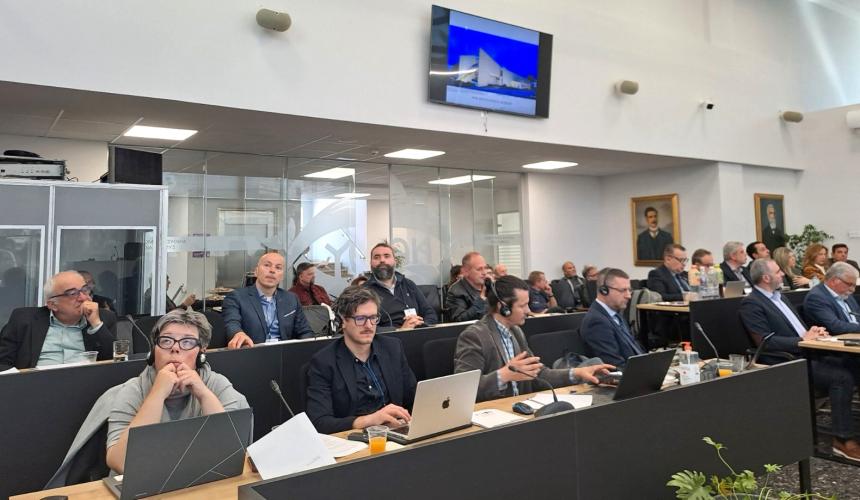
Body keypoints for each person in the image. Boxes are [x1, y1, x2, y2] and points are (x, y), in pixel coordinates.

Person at [739, 258, 860, 461]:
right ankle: (842, 439)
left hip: (806, 351)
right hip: (786, 361)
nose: (783, 274)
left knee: (854, 365)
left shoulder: (780, 297)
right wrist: (802, 340)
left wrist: (813, 332)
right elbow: (765, 342)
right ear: (766, 278)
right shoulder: (751, 303)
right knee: (841, 377)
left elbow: (797, 328)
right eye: (778, 271)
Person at [105, 309, 249, 473]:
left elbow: (231, 454)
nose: (175, 348)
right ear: (153, 350)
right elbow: (120, 462)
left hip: (202, 479)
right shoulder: (134, 390)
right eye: (166, 341)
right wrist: (157, 394)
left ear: (201, 351)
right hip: (146, 479)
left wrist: (204, 394)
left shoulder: (216, 385)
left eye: (187, 342)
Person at [453, 275, 613, 402]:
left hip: (520, 411)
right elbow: (463, 389)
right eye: (522, 305)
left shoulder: (516, 332)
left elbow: (538, 375)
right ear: (504, 308)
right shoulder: (474, 336)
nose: (528, 310)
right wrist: (503, 375)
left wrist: (578, 373)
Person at [305, 286, 417, 434]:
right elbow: (320, 422)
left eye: (373, 318)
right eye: (360, 319)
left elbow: (414, 397)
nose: (369, 325)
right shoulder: (324, 362)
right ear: (343, 321)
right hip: (355, 438)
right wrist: (370, 420)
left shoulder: (392, 348)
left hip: (396, 432)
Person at [0, 270, 117, 370]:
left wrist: (96, 324)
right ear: (52, 304)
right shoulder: (24, 319)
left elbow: (115, 363)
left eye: (85, 290)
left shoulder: (103, 318)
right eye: (73, 293)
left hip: (87, 383)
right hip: (36, 384)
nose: (83, 298)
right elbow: (3, 363)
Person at [222, 251, 313, 348]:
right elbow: (231, 323)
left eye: (278, 267)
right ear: (256, 271)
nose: (272, 270)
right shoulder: (236, 297)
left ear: (282, 276)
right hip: (253, 352)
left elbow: (305, 331)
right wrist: (238, 333)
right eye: (267, 265)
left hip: (284, 353)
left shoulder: (291, 299)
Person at [363, 242, 437, 329]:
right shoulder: (364, 291)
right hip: (387, 336)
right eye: (376, 257)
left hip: (417, 332)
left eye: (387, 256)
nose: (382, 260)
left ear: (395, 261)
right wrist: (400, 330)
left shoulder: (408, 284)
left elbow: (430, 313)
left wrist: (421, 325)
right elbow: (365, 327)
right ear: (371, 263)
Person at [581, 268, 645, 369]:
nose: (628, 296)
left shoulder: (615, 314)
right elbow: (613, 366)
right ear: (604, 290)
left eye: (629, 290)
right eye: (623, 290)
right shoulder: (596, 322)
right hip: (627, 375)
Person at [803, 262, 860, 335]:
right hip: (837, 339)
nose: (853, 290)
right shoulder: (816, 298)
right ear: (834, 281)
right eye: (850, 284)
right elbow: (836, 327)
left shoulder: (845, 293)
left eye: (854, 285)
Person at [445, 252, 489, 322]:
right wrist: (481, 300)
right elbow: (459, 319)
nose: (484, 273)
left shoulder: (490, 285)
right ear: (465, 271)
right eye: (479, 269)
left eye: (485, 268)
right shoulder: (456, 291)